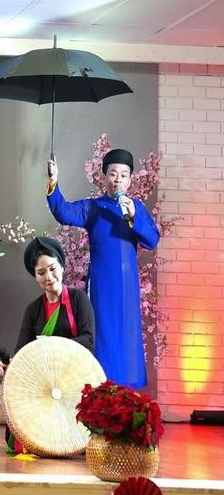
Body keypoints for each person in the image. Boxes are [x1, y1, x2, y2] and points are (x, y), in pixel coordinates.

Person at [47, 149, 159, 388]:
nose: (118, 179)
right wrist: (54, 182)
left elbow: (152, 240)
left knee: (127, 336)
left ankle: (129, 391)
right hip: (101, 284)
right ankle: (100, 386)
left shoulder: (136, 207)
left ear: (130, 180)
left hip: (128, 286)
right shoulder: (93, 208)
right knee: (103, 334)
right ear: (104, 177)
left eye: (124, 175)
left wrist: (133, 216)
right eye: (113, 173)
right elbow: (63, 211)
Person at [0, 236, 95, 454]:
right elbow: (22, 352)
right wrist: (10, 365)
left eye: (52, 269)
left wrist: (52, 347)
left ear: (62, 266)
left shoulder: (79, 300)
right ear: (35, 276)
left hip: (74, 378)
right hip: (43, 381)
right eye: (41, 273)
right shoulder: (33, 310)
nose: (49, 277)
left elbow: (89, 341)